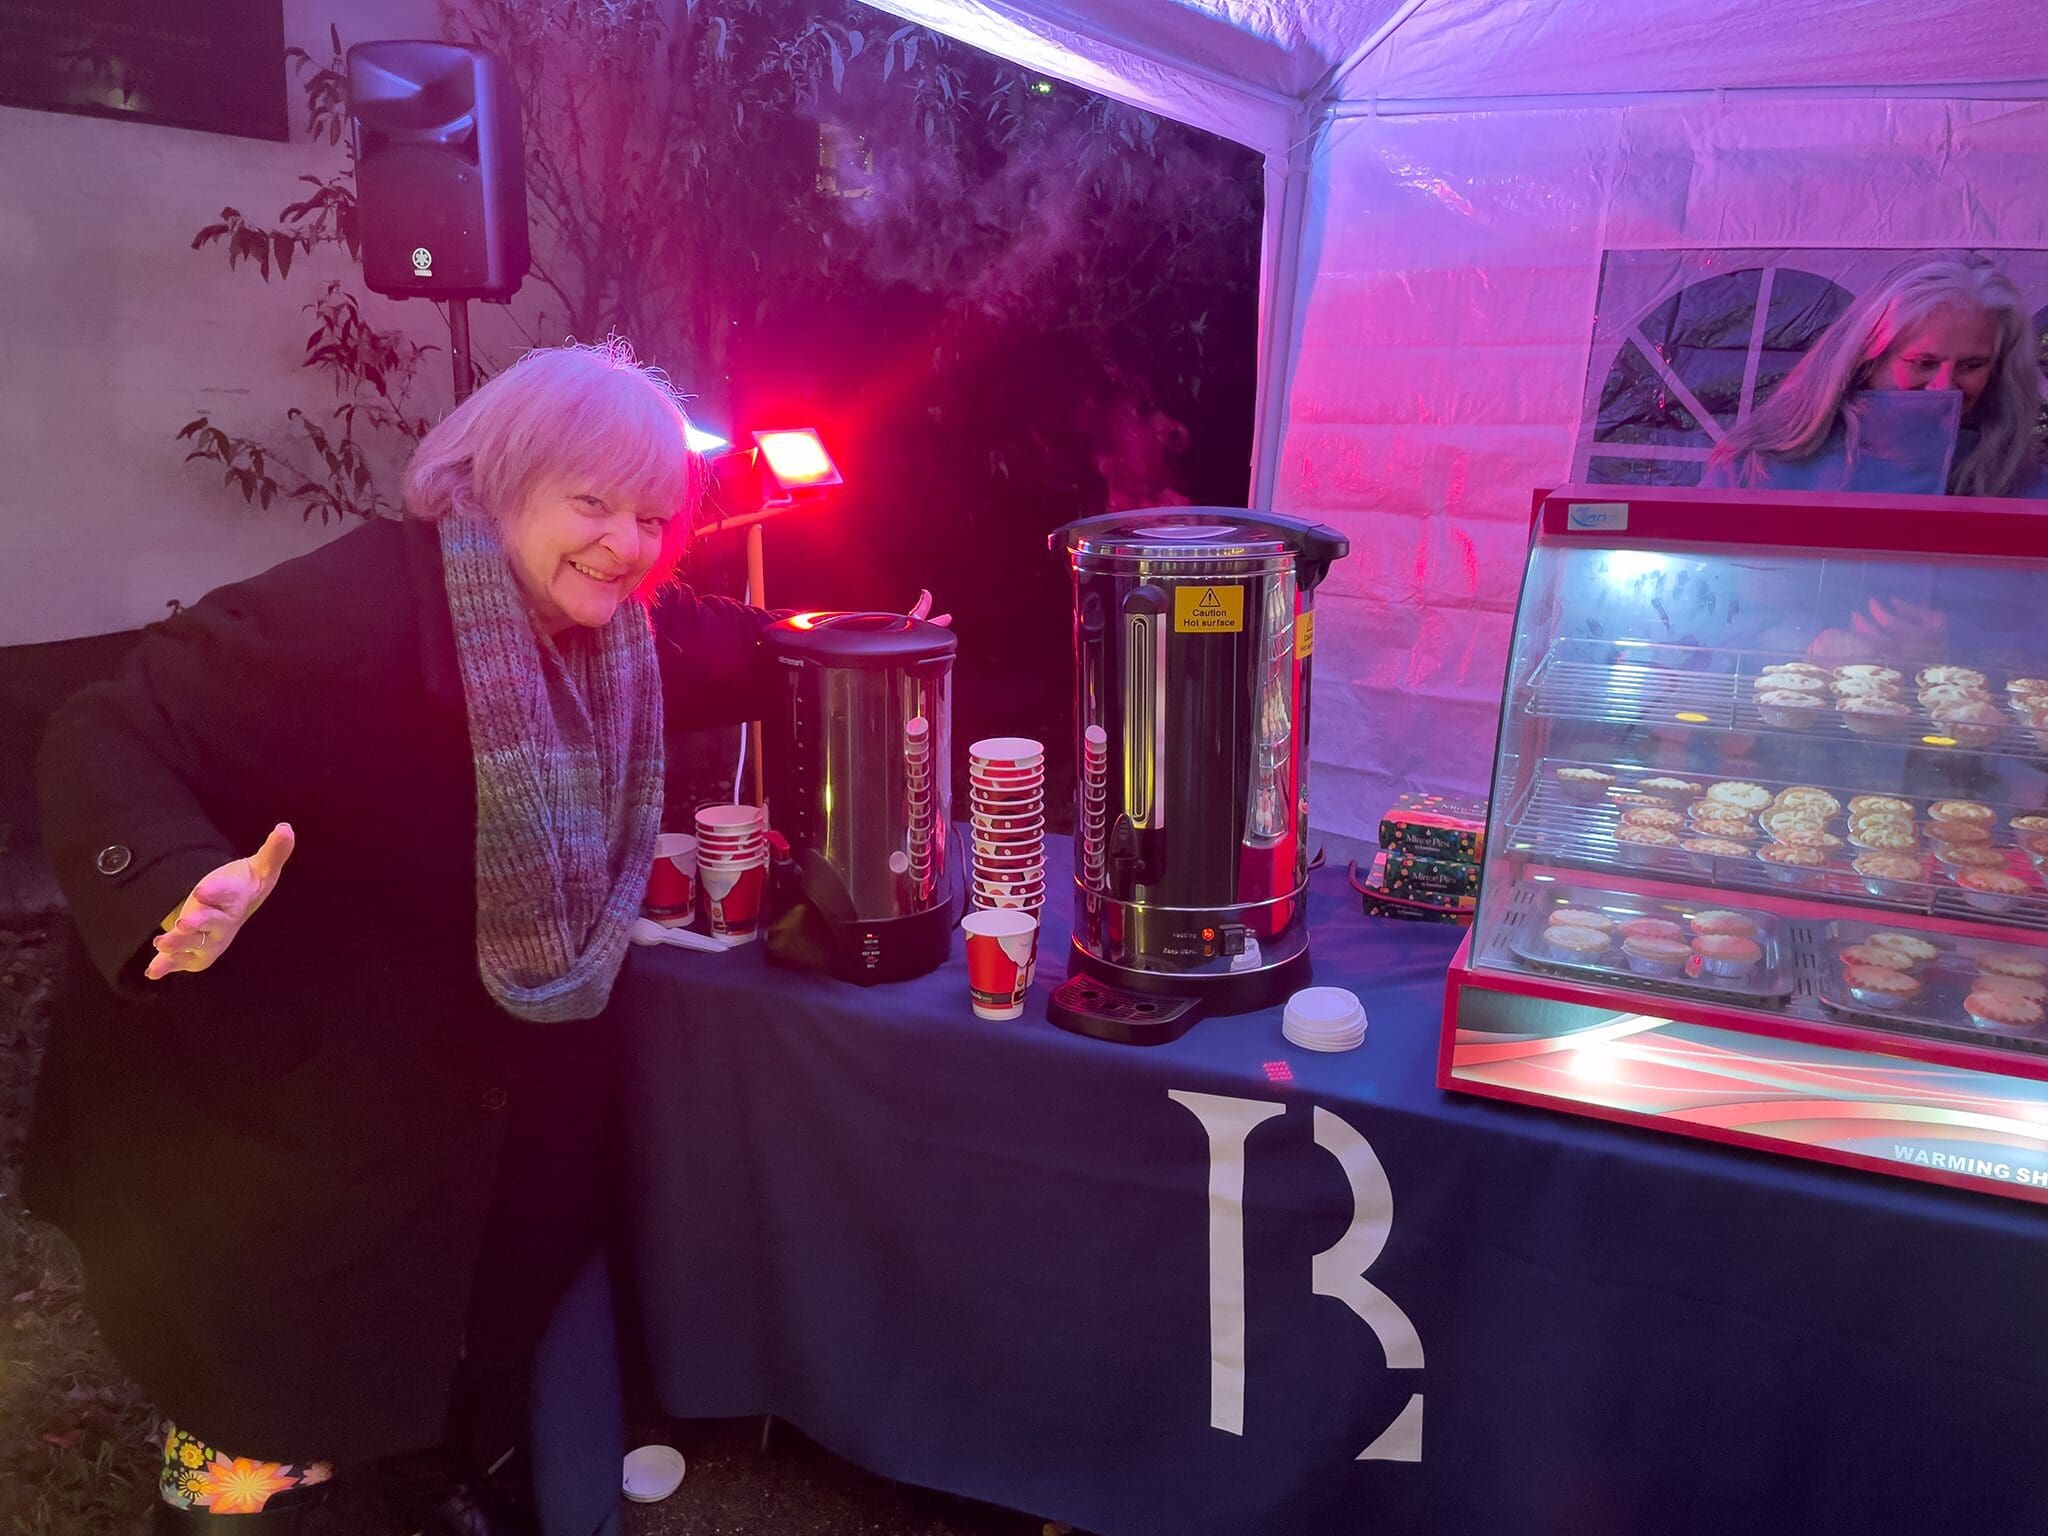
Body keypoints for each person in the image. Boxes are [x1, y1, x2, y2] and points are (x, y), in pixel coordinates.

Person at [26, 341, 934, 1534]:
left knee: (462, 1306)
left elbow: (714, 636)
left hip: (459, 1078)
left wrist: (854, 636)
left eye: (653, 516)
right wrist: (169, 882)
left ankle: (419, 1470)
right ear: (498, 482)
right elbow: (109, 727)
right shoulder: (345, 610)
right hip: (270, 1087)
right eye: (592, 503)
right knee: (261, 1377)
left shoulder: (611, 633)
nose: (627, 546)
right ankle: (230, 1501)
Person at [1702, 250, 2046, 500]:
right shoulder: (1757, 468)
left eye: (1971, 365)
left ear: (1999, 369)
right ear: (1868, 358)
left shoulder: (2022, 488)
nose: (1944, 385)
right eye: (1923, 362)